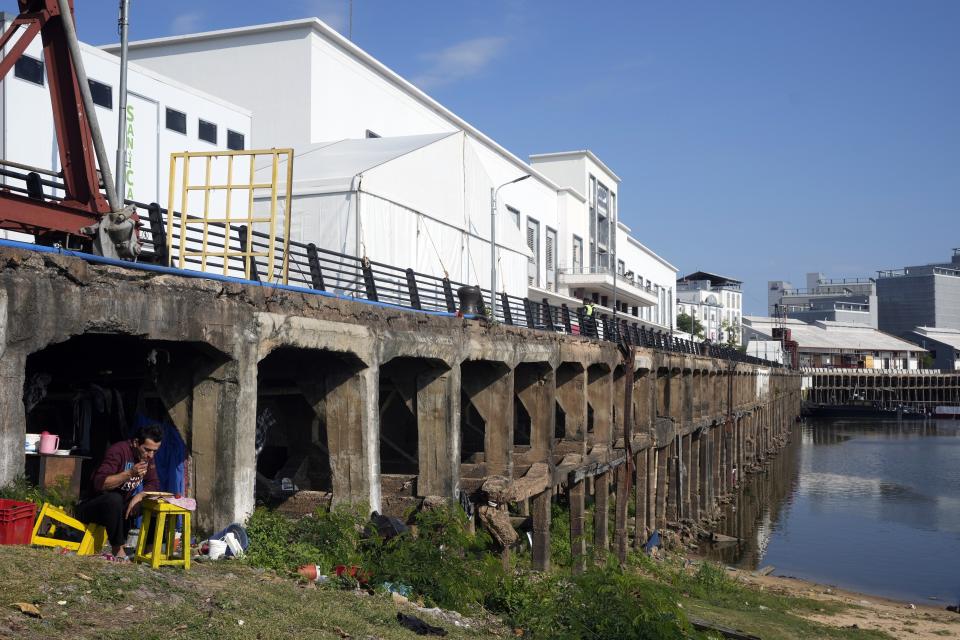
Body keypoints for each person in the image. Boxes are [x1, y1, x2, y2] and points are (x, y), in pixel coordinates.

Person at [75, 424, 163, 558]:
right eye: (147, 450)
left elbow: (154, 483)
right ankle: (118, 550)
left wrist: (140, 496)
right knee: (114, 499)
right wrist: (129, 473)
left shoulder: (147, 457)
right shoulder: (118, 451)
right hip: (93, 506)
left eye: (155, 451)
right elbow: (100, 484)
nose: (151, 455)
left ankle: (148, 551)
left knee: (156, 503)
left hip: (119, 509)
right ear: (135, 443)